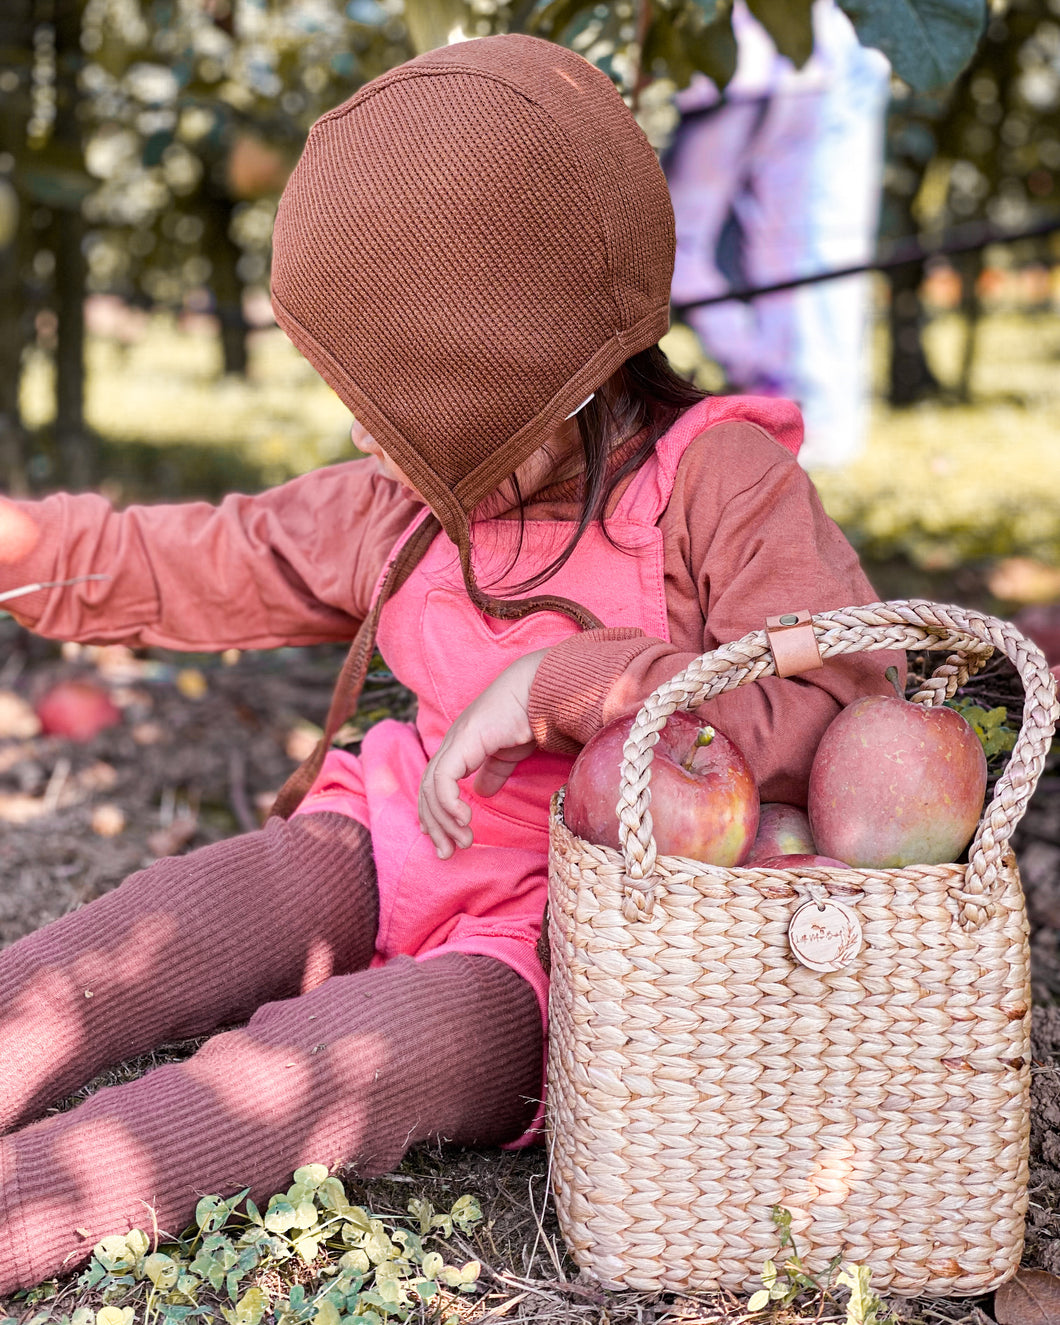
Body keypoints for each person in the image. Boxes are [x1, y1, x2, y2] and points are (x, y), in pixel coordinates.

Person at [0, 34, 897, 1294]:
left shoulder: (719, 484)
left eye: (397, 386)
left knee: (291, 1078)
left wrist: (561, 684)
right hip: (393, 831)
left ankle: (25, 1204)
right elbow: (199, 557)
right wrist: (22, 546)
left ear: (517, 364)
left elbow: (838, 712)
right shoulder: (413, 499)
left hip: (563, 937)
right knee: (146, 933)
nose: (366, 425)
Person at [665, 0, 891, 468]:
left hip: (742, 69)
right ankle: (782, 405)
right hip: (804, 70)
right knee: (778, 253)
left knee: (674, 250)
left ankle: (761, 381)